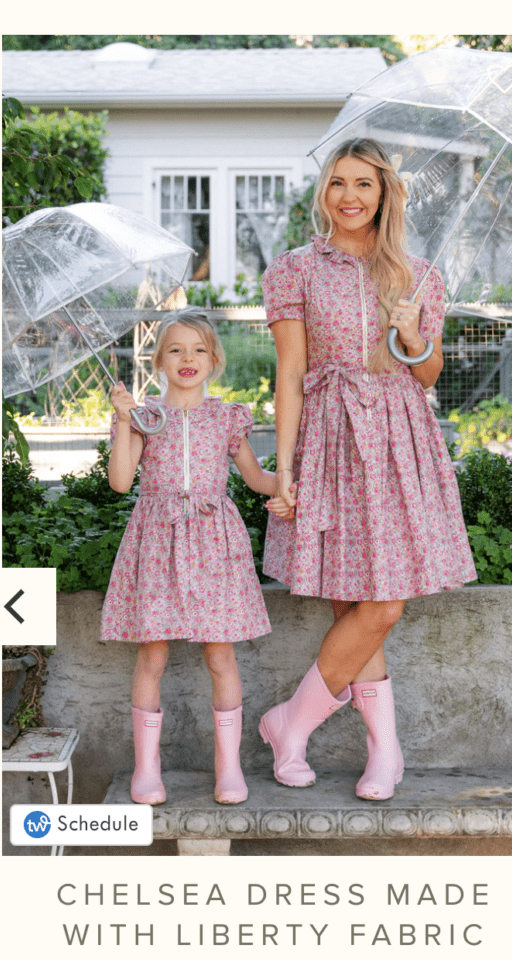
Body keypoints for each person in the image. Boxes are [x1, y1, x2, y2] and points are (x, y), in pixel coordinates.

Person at [258, 138, 477, 800]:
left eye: (364, 184)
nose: (349, 196)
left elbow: (430, 375)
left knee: (383, 604)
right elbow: (291, 373)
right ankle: (385, 752)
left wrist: (414, 339)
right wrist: (286, 466)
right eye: (337, 183)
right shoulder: (295, 268)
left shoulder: (417, 274)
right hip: (329, 433)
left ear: (385, 194)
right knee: (351, 602)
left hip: (397, 438)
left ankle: (289, 725)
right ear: (323, 193)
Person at [100, 309, 291, 806]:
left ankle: (228, 769)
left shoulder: (227, 417)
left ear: (215, 360)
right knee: (153, 653)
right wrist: (123, 421)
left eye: (199, 349)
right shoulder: (143, 416)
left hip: (213, 544)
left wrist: (291, 484)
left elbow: (256, 478)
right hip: (158, 541)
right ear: (159, 359)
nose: (188, 358)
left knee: (220, 653)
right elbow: (121, 481)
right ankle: (147, 770)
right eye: (177, 349)